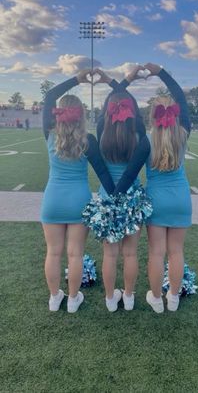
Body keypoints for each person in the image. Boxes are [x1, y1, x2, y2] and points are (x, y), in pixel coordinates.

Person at [41, 69, 115, 313]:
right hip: (79, 201)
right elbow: (104, 173)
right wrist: (117, 193)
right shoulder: (88, 140)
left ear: (58, 114)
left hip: (53, 199)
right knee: (75, 254)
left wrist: (76, 79)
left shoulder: (50, 134)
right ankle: (73, 299)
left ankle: (54, 298)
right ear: (81, 115)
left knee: (53, 253)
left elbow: (50, 95)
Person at [93, 66, 150, 312]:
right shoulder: (138, 133)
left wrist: (115, 83)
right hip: (132, 199)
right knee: (130, 254)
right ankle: (128, 297)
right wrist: (126, 81)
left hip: (107, 199)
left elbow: (112, 103)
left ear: (108, 110)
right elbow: (134, 109)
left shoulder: (101, 131)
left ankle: (109, 299)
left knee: (110, 255)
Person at [143, 63, 192, 313]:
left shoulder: (146, 139)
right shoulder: (183, 133)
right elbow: (181, 97)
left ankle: (156, 298)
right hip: (181, 198)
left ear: (152, 116)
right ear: (174, 114)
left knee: (156, 253)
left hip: (156, 200)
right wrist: (161, 71)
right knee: (176, 252)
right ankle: (173, 298)